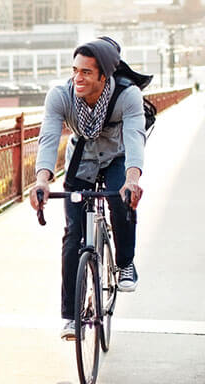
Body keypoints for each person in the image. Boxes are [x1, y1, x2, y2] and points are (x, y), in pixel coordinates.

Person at [28, 37, 144, 340]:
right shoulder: (61, 96)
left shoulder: (126, 95)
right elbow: (49, 138)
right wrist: (42, 180)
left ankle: (125, 262)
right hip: (81, 161)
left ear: (104, 76)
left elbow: (134, 137)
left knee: (121, 201)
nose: (77, 78)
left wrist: (132, 179)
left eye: (86, 73)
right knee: (72, 236)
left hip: (117, 158)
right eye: (74, 70)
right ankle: (71, 315)